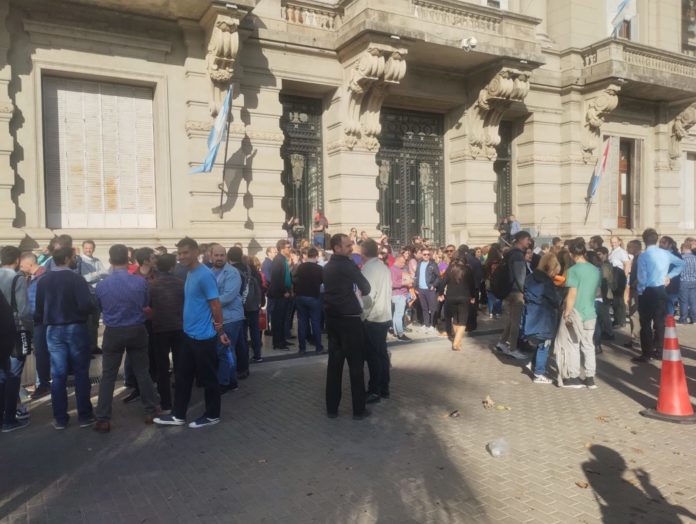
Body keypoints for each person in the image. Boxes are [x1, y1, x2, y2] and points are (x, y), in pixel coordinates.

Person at [155, 238, 230, 428]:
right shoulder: (190, 273)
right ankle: (178, 415)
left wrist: (220, 330)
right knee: (182, 377)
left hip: (203, 337)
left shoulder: (204, 275)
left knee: (208, 378)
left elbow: (215, 304)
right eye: (179, 253)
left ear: (196, 252)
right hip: (188, 334)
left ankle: (212, 415)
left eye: (185, 252)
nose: (181, 256)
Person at [93, 245, 160, 433]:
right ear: (128, 259)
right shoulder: (140, 282)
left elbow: (99, 307)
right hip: (136, 329)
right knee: (142, 371)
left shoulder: (102, 285)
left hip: (113, 331)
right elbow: (145, 303)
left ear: (110, 260)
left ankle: (103, 418)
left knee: (108, 375)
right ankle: (151, 410)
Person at [34, 246, 95, 429]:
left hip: (53, 329)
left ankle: (60, 418)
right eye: (74, 257)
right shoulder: (77, 279)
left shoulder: (43, 280)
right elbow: (86, 304)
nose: (75, 259)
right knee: (81, 372)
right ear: (68, 258)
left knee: (58, 374)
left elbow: (38, 308)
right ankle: (84, 416)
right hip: (75, 327)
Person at [324, 233, 371, 420]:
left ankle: (332, 409)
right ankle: (358, 410)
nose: (351, 248)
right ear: (337, 248)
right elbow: (366, 287)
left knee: (334, 365)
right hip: (350, 320)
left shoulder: (328, 266)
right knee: (356, 366)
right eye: (348, 245)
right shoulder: (347, 265)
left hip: (332, 318)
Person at [633, 229, 684, 363]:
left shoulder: (644, 256)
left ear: (644, 240)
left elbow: (642, 276)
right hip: (661, 289)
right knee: (659, 322)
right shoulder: (665, 253)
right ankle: (660, 350)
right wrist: (669, 276)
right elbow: (681, 263)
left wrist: (640, 290)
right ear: (656, 240)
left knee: (645, 323)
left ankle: (647, 353)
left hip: (648, 291)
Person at [557, 239, 601, 388]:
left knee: (573, 344)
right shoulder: (595, 270)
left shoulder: (573, 270)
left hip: (576, 311)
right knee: (588, 345)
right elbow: (597, 291)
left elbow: (572, 294)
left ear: (571, 254)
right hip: (590, 311)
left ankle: (574, 376)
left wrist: (566, 313)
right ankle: (590, 378)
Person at [0, 246, 32, 432]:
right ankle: (9, 418)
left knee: (2, 375)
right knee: (13, 374)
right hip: (15, 331)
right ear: (18, 260)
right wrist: (31, 331)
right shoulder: (17, 278)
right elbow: (24, 311)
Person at [149, 254, 185, 413]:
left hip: (159, 329)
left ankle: (166, 403)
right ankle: (181, 400)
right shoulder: (181, 283)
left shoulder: (152, 285)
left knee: (162, 367)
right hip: (179, 327)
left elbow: (148, 304)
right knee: (180, 365)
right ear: (172, 267)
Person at [361, 239, 392, 403]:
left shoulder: (370, 268)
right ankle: (384, 387)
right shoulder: (383, 267)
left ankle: (375, 390)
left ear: (363, 251)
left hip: (373, 317)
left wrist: (362, 316)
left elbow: (368, 297)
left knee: (374, 357)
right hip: (384, 315)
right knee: (381, 354)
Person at [522, 253, 562, 383]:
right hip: (545, 316)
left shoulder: (530, 277)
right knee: (545, 344)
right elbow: (555, 300)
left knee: (540, 342)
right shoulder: (547, 282)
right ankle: (539, 373)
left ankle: (533, 364)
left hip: (532, 313)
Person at [209, 244, 243, 389]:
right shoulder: (210, 272)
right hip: (217, 317)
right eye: (216, 255)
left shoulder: (232, 272)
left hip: (231, 318)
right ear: (211, 256)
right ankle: (229, 380)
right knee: (221, 350)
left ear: (226, 256)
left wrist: (207, 302)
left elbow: (228, 296)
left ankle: (226, 382)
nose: (219, 258)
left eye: (222, 255)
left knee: (225, 350)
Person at [495, 231, 531, 359]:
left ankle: (502, 343)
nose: (529, 242)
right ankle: (513, 349)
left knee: (511, 320)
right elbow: (520, 276)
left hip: (509, 290)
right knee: (516, 321)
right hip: (516, 293)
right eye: (527, 239)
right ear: (521, 240)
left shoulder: (510, 253)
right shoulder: (518, 255)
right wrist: (524, 292)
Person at [20, 253, 50, 400]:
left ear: (30, 264)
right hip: (36, 321)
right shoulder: (32, 278)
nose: (20, 267)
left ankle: (43, 384)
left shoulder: (43, 278)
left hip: (41, 322)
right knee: (40, 353)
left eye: (22, 265)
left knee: (42, 353)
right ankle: (41, 383)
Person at [439, 246, 476, 351]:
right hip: (464, 297)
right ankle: (456, 343)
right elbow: (472, 285)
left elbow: (443, 282)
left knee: (455, 319)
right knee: (463, 321)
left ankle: (457, 341)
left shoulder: (450, 268)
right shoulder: (467, 269)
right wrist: (473, 296)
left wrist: (440, 293)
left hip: (450, 297)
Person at [293, 247, 324, 354]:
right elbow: (322, 281)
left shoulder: (300, 267)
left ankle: (302, 348)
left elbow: (294, 279)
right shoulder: (319, 268)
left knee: (302, 323)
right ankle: (318, 347)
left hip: (300, 297)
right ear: (316, 256)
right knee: (315, 323)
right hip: (314, 297)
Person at [81, 240, 108, 355]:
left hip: (97, 294)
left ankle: (94, 345)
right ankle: (87, 347)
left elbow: (105, 274)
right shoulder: (81, 261)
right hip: (87, 294)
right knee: (88, 322)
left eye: (90, 248)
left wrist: (97, 275)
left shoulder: (97, 260)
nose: (88, 250)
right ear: (83, 248)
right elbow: (86, 278)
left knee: (95, 322)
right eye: (86, 248)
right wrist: (98, 274)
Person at [268, 239, 293, 350]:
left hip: (284, 293)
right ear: (282, 249)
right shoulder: (278, 260)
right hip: (279, 295)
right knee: (277, 320)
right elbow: (277, 279)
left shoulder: (283, 259)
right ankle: (278, 343)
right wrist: (284, 291)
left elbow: (286, 276)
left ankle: (282, 340)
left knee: (282, 319)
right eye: (288, 247)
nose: (290, 249)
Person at [414, 247, 441, 334]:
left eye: (428, 254)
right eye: (424, 254)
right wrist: (416, 287)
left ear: (430, 255)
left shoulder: (433, 264)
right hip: (421, 290)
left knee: (432, 308)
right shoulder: (419, 264)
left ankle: (433, 326)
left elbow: (438, 277)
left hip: (430, 290)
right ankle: (426, 324)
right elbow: (416, 276)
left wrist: (434, 285)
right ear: (422, 255)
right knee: (424, 308)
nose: (426, 256)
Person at [624, 239, 643, 350]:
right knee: (633, 314)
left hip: (636, 290)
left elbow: (641, 274)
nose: (627, 249)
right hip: (634, 290)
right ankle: (635, 338)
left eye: (629, 247)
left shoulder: (640, 258)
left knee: (634, 314)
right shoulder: (635, 258)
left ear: (636, 247)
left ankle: (636, 339)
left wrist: (634, 284)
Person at [608, 236, 631, 328]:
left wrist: (624, 277)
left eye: (615, 242)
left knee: (618, 299)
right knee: (616, 299)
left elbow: (627, 263)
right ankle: (618, 320)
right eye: (612, 242)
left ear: (619, 242)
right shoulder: (612, 252)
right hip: (613, 275)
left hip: (619, 275)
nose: (613, 244)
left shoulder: (621, 252)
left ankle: (620, 321)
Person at [390, 254, 411, 341]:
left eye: (404, 262)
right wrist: (405, 283)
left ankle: (396, 332)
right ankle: (400, 334)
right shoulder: (393, 269)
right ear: (397, 261)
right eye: (402, 262)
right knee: (399, 315)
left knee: (396, 315)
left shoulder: (400, 269)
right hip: (398, 294)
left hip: (401, 294)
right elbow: (393, 283)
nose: (403, 264)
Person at [660, 236, 682, 316]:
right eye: (660, 242)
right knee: (661, 305)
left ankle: (669, 321)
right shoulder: (659, 254)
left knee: (669, 304)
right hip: (660, 283)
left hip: (672, 284)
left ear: (670, 245)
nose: (661, 244)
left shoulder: (676, 255)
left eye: (664, 243)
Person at [678, 242, 696, 324]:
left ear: (684, 248)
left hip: (683, 281)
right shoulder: (695, 258)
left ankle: (683, 319)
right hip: (694, 281)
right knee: (693, 301)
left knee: (684, 301)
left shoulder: (681, 258)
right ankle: (694, 318)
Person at [484, 245, 503, 319]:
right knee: (499, 297)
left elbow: (485, 273)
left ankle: (491, 312)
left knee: (490, 297)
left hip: (489, 280)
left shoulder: (487, 262)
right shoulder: (500, 261)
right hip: (499, 281)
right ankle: (498, 312)